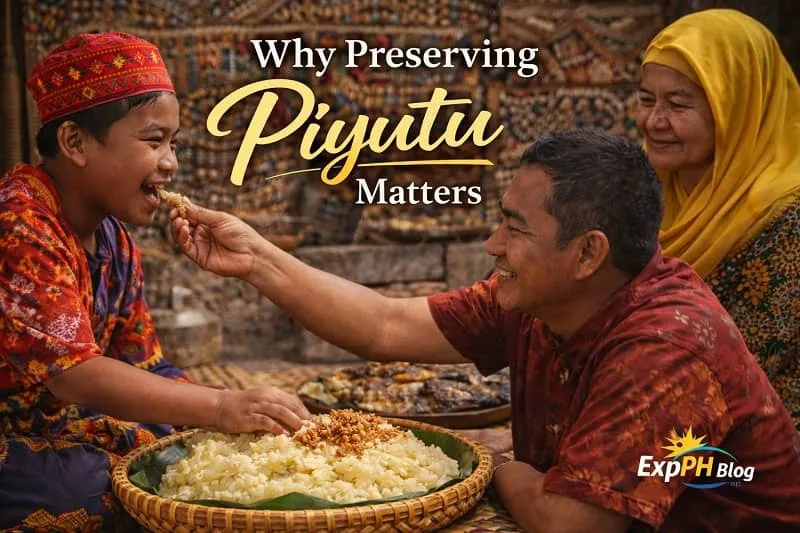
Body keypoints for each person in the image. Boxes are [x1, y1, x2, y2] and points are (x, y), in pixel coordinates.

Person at [170, 129, 800, 532]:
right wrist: (255, 258)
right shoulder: (538, 297)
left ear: (587, 254)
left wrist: (486, 464)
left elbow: (564, 523)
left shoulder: (665, 346)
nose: (492, 244)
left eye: (515, 229)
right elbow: (385, 327)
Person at [0, 32, 309, 532]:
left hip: (63, 425)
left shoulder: (114, 240)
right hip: (11, 433)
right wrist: (219, 404)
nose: (171, 162)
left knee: (184, 455)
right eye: (154, 141)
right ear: (75, 142)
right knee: (98, 488)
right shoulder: (20, 223)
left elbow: (144, 365)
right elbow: (74, 374)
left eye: (174, 143)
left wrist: (238, 424)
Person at [636, 9, 800, 428]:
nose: (654, 122)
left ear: (737, 108)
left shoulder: (786, 220)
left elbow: (737, 369)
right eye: (645, 99)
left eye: (677, 104)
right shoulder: (647, 185)